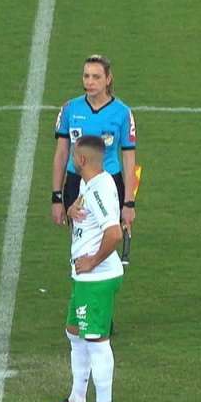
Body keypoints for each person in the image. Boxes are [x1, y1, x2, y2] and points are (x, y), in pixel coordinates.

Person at [44, 136, 124, 402]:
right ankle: (77, 401)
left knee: (96, 341)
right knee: (75, 333)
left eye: (73, 156)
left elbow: (113, 233)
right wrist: (69, 211)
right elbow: (82, 214)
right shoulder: (87, 184)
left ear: (81, 160)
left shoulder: (101, 187)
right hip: (84, 277)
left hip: (97, 278)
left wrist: (91, 261)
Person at [51, 55, 138, 259]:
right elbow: (61, 154)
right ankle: (82, 278)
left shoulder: (123, 113)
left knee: (107, 238)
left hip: (109, 185)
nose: (89, 82)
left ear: (108, 79)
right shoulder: (69, 109)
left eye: (96, 77)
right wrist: (56, 197)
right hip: (75, 183)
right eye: (86, 76)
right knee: (81, 240)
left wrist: (129, 203)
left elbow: (129, 159)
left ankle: (98, 279)